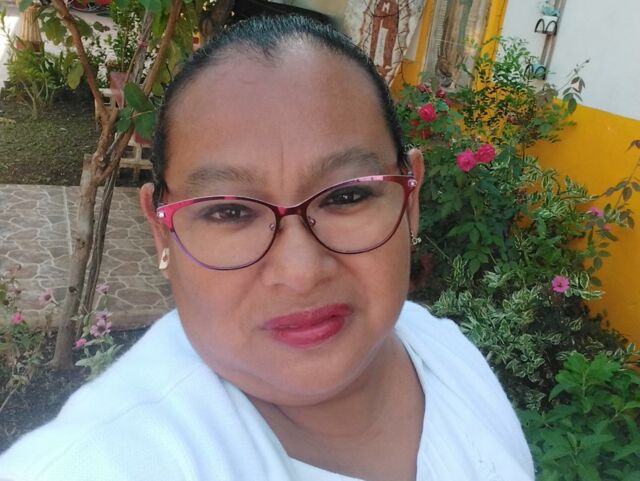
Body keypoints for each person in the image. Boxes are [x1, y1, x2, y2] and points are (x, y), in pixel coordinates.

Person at [0, 15, 534, 481]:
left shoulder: (445, 354)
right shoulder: (104, 458)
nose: (301, 272)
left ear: (409, 197)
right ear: (163, 232)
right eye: (230, 211)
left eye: (346, 196)